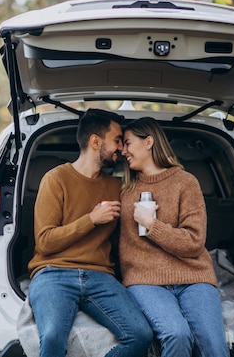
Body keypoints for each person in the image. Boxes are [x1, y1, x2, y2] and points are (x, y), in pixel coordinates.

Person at [27, 108, 153, 357]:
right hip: (54, 273)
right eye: (117, 140)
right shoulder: (56, 179)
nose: (122, 148)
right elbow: (45, 242)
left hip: (100, 277)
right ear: (96, 141)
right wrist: (91, 220)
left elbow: (128, 239)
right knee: (52, 336)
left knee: (141, 335)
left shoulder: (116, 186)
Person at [119, 117, 228, 357]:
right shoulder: (124, 190)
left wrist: (151, 225)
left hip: (194, 277)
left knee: (214, 347)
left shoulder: (186, 182)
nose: (123, 151)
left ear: (149, 142)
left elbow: (193, 242)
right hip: (144, 280)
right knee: (177, 335)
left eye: (127, 143)